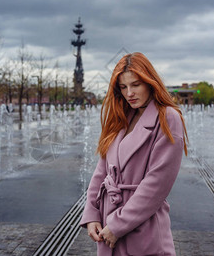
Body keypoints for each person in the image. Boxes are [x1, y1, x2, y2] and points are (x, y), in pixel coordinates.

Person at [80, 52, 188, 255]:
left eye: (135, 84)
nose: (129, 93)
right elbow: (102, 171)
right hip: (108, 223)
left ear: (150, 82)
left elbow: (156, 184)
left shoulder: (167, 119)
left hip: (142, 228)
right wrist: (92, 213)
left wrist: (118, 225)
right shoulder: (121, 116)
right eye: (123, 87)